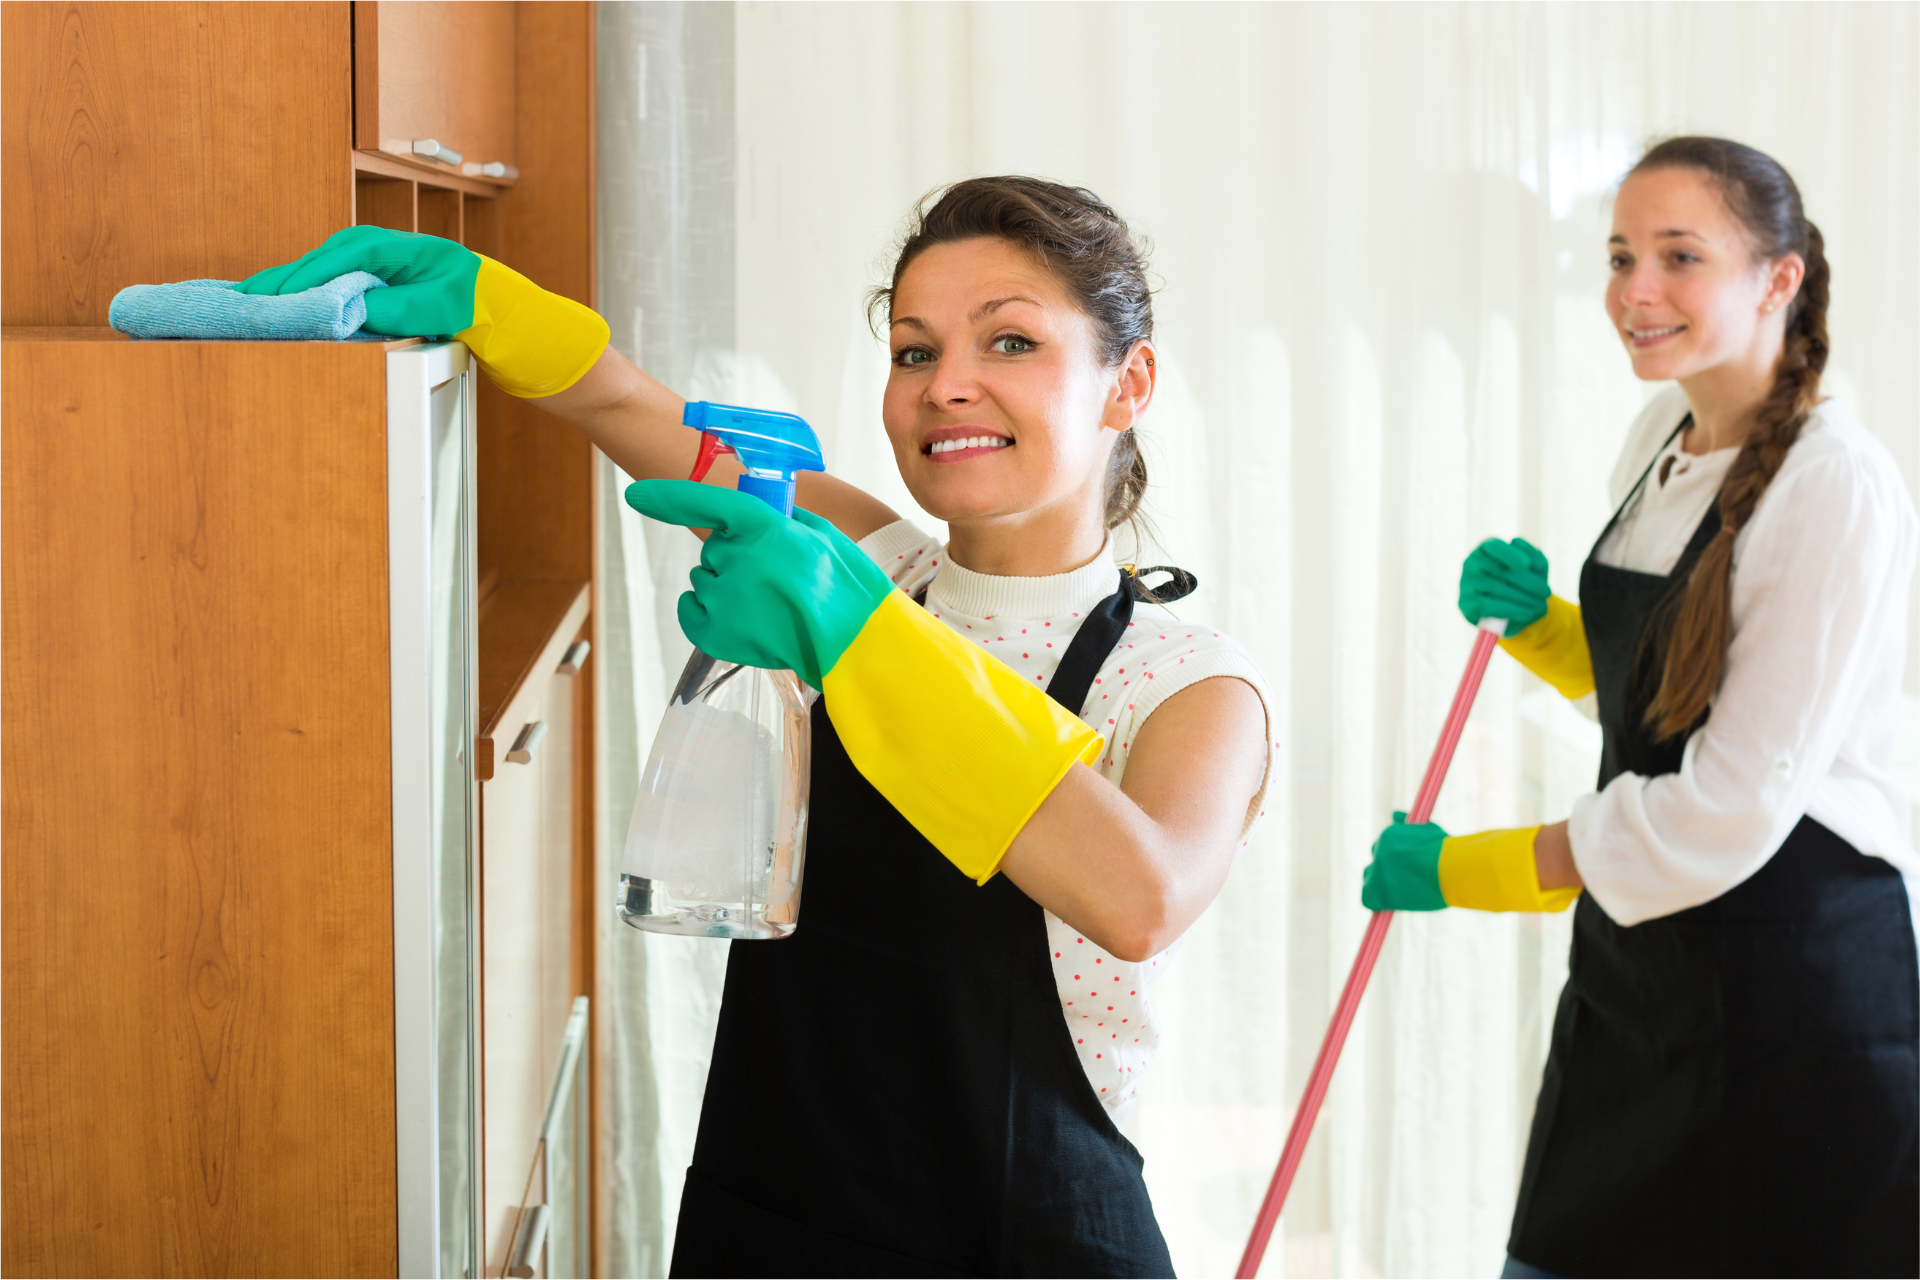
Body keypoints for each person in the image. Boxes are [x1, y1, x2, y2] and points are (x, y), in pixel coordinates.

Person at [241, 177, 1274, 1276]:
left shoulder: (1183, 682)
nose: (948, 387)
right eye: (915, 352)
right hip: (779, 1219)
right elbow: (632, 413)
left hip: (1023, 1244)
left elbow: (1142, 893)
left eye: (1010, 341)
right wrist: (492, 303)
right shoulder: (871, 560)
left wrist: (853, 633)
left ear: (1131, 381)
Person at [1360, 136, 1919, 1277]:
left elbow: (1725, 805)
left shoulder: (1834, 483)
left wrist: (1464, 870)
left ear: (1779, 278)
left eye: (1680, 255)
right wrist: (1547, 631)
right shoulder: (1658, 442)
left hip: (1789, 989)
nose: (1636, 291)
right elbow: (1671, 701)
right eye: (1621, 256)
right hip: (1639, 972)